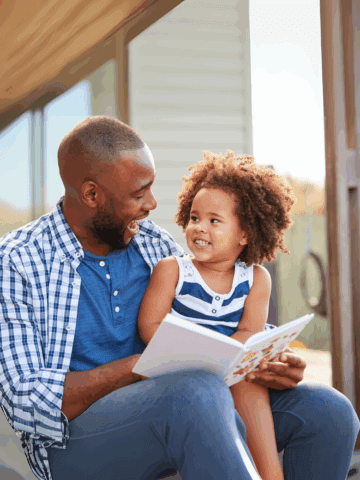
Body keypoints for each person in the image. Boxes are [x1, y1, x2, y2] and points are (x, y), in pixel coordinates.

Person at [0, 116, 358, 480]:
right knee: (194, 392)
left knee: (329, 411)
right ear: (92, 195)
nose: (152, 204)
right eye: (139, 193)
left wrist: (268, 357)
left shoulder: (151, 242)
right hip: (74, 444)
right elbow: (23, 401)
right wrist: (134, 369)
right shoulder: (20, 260)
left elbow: (211, 319)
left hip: (186, 408)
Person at [138, 150, 296, 480]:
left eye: (214, 220)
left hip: (226, 368)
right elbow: (149, 324)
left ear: (245, 233)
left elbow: (249, 330)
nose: (200, 227)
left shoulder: (255, 278)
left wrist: (225, 356)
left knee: (249, 384)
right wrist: (197, 352)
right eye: (194, 218)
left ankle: (270, 475)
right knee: (218, 389)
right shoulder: (173, 271)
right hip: (179, 370)